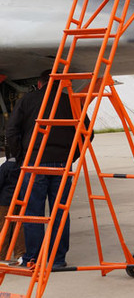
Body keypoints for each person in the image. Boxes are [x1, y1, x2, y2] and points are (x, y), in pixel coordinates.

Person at [5, 70, 92, 269]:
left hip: (34, 162)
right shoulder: (72, 100)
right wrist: (71, 156)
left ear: (40, 83)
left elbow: (11, 130)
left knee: (33, 213)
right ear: (61, 84)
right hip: (62, 164)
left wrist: (21, 158)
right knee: (60, 212)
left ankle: (33, 259)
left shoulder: (28, 100)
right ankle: (57, 259)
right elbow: (88, 133)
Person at [0, 152, 24, 260]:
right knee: (19, 228)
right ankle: (20, 254)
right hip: (20, 200)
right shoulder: (24, 165)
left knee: (4, 229)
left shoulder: (5, 167)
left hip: (5, 202)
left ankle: (2, 255)